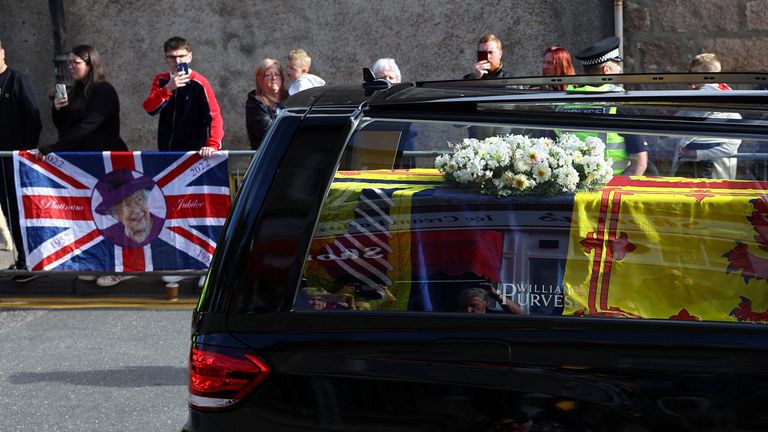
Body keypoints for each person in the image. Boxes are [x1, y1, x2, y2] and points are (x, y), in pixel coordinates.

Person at [36, 45, 131, 287]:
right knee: (92, 215)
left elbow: (88, 126)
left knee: (113, 214)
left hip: (107, 160)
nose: (70, 67)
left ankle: (119, 267)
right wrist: (58, 110)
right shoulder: (75, 92)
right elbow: (68, 127)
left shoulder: (104, 91)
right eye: (68, 63)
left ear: (90, 64)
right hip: (86, 162)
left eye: (75, 62)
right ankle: (98, 263)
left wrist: (53, 148)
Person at [564, 36, 648, 176]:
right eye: (617, 64)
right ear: (606, 70)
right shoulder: (620, 101)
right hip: (609, 191)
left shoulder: (563, 101)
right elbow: (640, 162)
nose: (620, 69)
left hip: (571, 190)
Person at [0, 37, 43, 282]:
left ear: (3, 52)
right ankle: (21, 260)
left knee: (18, 213)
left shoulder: (18, 80)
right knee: (6, 213)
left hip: (14, 160)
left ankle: (28, 262)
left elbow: (33, 119)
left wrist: (23, 154)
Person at [142, 36, 223, 157]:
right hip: (167, 151)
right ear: (166, 59)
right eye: (172, 57)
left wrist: (213, 145)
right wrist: (168, 89)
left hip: (194, 153)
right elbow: (150, 108)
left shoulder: (199, 82)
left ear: (189, 57)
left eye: (181, 56)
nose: (177, 61)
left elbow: (214, 116)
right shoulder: (161, 80)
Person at [670, 53, 741, 179]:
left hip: (716, 179)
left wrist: (697, 154)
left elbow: (729, 148)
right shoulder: (689, 108)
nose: (691, 83)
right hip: (685, 172)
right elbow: (671, 131)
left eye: (694, 77)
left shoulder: (731, 113)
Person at [94, 170, 164, 248]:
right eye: (126, 205)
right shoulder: (106, 237)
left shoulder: (164, 228)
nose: (136, 210)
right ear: (115, 215)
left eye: (139, 200)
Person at [246, 58, 288, 150]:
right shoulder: (254, 103)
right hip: (268, 157)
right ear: (260, 79)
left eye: (277, 74)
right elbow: (268, 131)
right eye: (268, 75)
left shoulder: (291, 98)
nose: (274, 78)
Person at [456, 283, 522, 314]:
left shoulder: (493, 317)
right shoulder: (454, 318)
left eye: (474, 305)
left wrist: (497, 296)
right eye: (464, 306)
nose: (468, 310)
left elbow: (518, 314)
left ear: (486, 303)